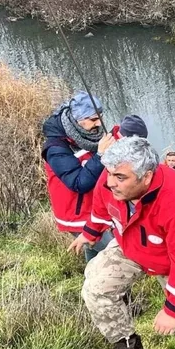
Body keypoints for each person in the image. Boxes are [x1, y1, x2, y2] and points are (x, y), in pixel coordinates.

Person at [70, 137, 175, 349]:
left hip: (169, 258)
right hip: (130, 246)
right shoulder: (111, 177)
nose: (110, 183)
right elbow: (100, 207)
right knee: (96, 287)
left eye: (120, 178)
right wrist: (90, 232)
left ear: (146, 176)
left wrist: (172, 309)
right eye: (109, 174)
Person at [42, 91, 115, 262]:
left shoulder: (88, 135)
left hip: (95, 208)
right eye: (93, 119)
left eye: (101, 117)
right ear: (77, 119)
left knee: (96, 253)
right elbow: (78, 183)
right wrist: (100, 155)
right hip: (77, 215)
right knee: (114, 253)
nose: (99, 123)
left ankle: (93, 281)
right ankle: (107, 287)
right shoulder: (56, 148)